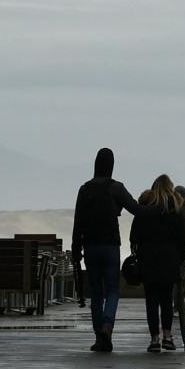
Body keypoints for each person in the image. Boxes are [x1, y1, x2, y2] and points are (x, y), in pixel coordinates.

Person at [71, 147, 140, 354]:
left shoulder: (85, 189)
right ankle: (108, 326)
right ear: (111, 166)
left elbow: (78, 221)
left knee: (96, 292)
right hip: (110, 245)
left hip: (90, 246)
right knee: (112, 290)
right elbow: (135, 209)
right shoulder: (116, 188)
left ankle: (98, 335)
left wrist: (76, 249)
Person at [129, 174, 185, 353]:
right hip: (169, 261)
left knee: (151, 300)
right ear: (170, 189)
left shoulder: (144, 211)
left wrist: (139, 254)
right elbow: (184, 240)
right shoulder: (176, 211)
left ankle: (154, 339)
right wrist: (179, 259)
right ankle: (167, 336)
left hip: (148, 260)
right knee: (166, 300)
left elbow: (134, 237)